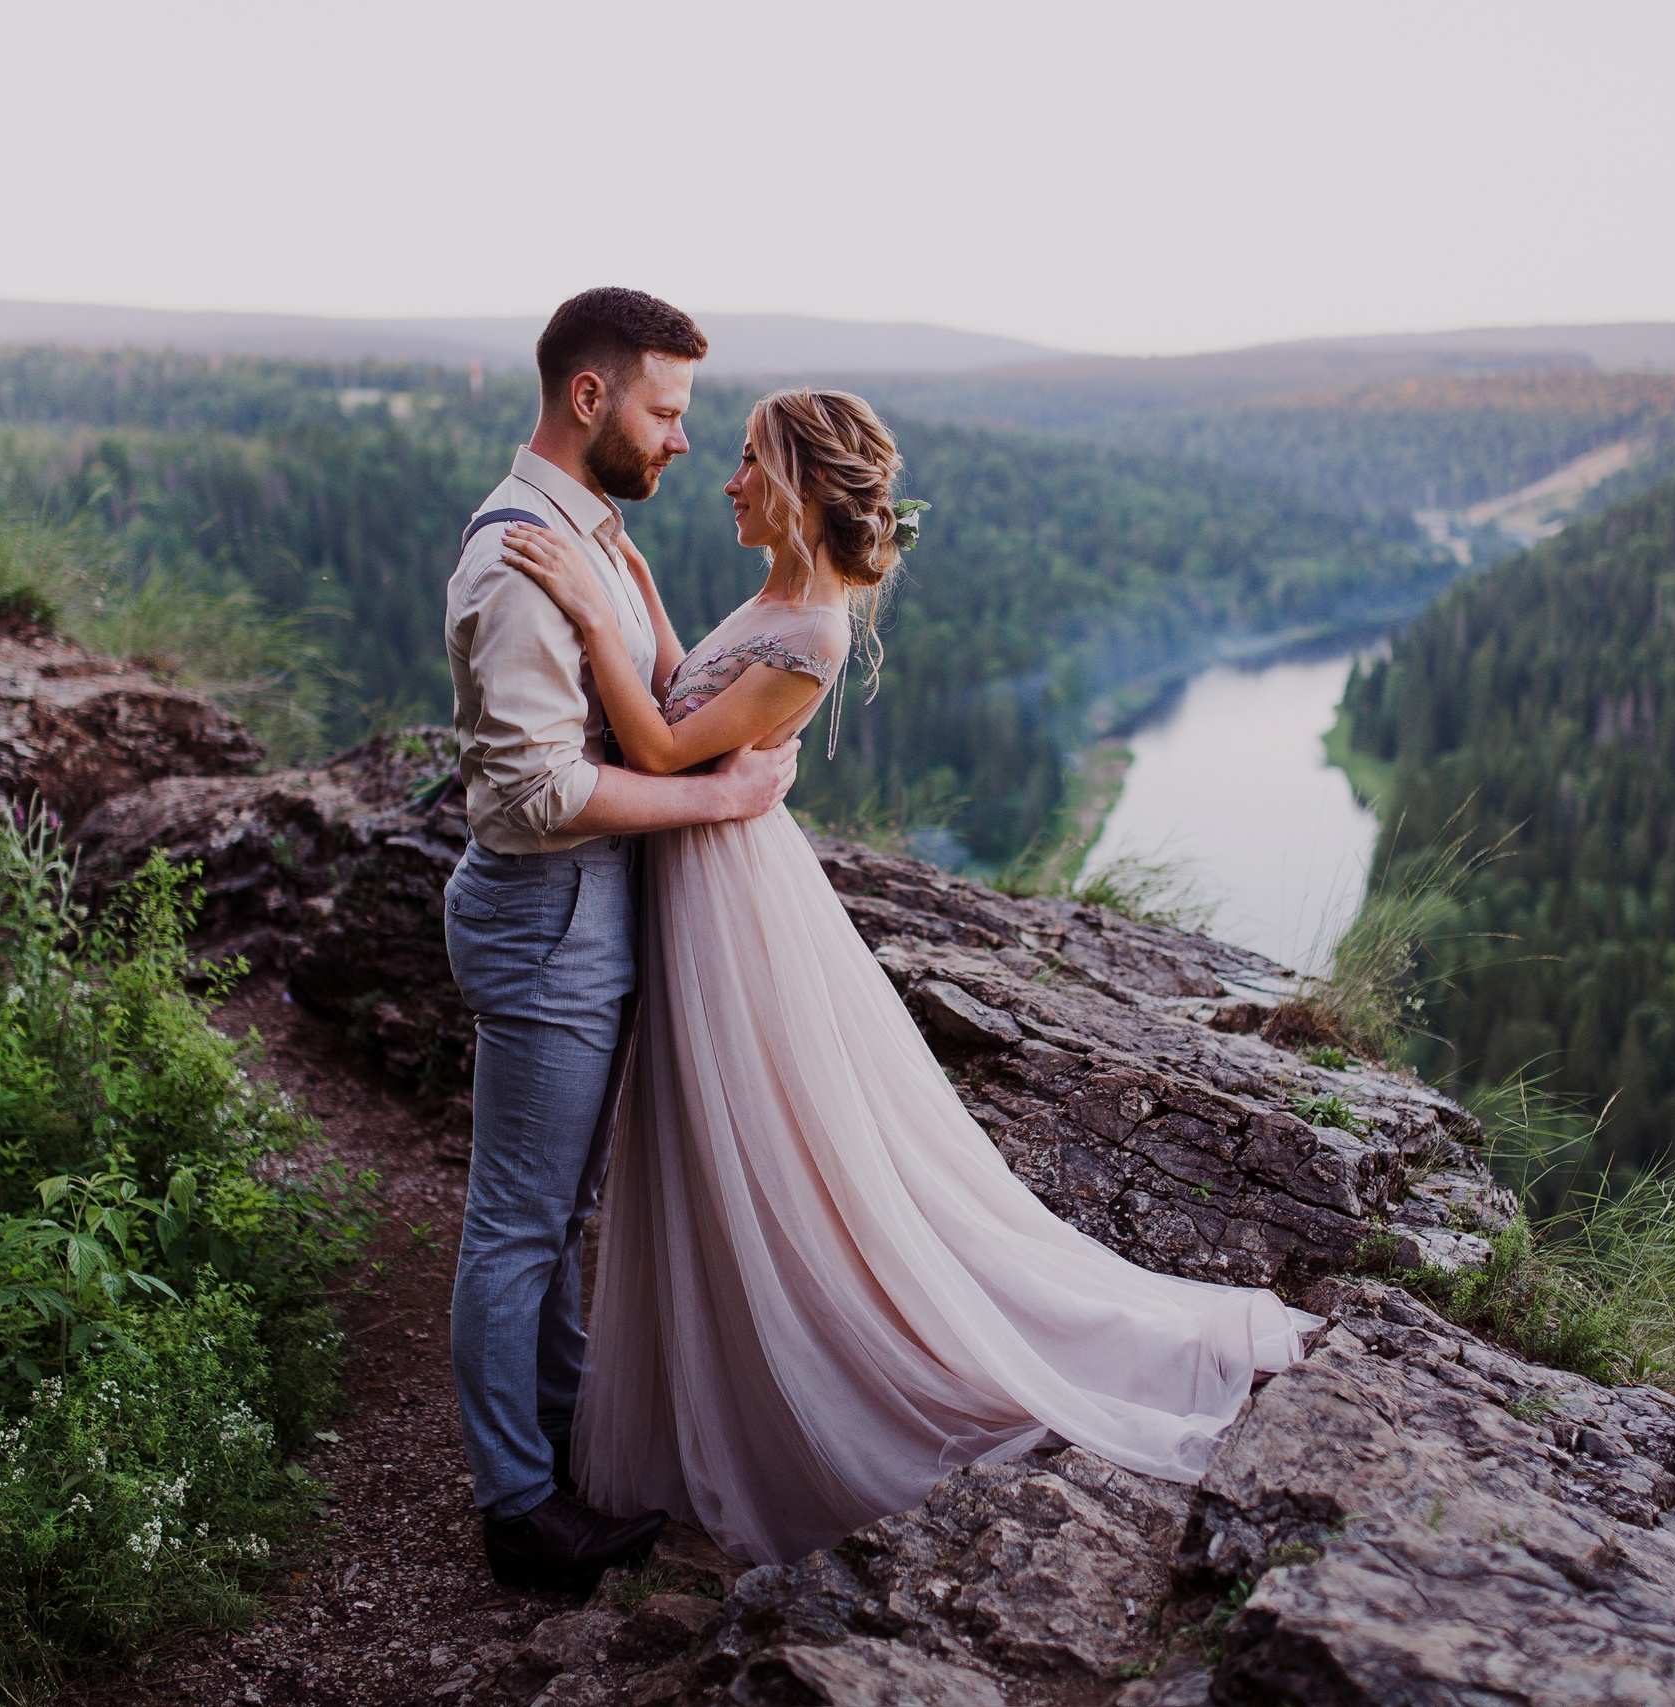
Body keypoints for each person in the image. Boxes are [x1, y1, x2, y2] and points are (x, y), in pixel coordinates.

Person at [494, 388, 1315, 1568]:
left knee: (765, 1137)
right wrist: (641, 598)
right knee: (712, 1139)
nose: (724, 481)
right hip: (704, 870)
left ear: (801, 483)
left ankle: (823, 1381)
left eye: (744, 464)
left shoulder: (818, 629)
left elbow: (667, 747)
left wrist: (580, 601)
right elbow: (687, 691)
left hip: (725, 890)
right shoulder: (777, 597)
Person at [440, 288, 800, 1592]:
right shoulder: (521, 554)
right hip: (550, 913)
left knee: (560, 1206)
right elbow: (535, 790)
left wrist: (638, 594)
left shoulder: (583, 539)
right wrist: (711, 797)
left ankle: (560, 1437)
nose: (684, 441)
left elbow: (645, 694)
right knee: (519, 1222)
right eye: (666, 408)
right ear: (590, 398)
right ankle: (519, 1506)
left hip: (581, 910)